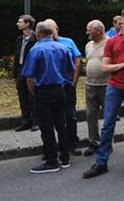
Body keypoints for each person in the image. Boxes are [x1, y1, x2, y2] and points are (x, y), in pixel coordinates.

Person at [83, 5, 124, 179]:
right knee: (108, 124)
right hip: (114, 86)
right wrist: (123, 65)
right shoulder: (111, 41)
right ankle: (101, 162)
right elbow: (105, 67)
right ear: (122, 18)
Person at [21, 21, 75, 173]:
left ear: (38, 35)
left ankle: (51, 161)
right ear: (52, 33)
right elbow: (70, 71)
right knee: (61, 124)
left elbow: (30, 77)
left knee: (46, 127)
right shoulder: (64, 48)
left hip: (43, 91)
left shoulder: (36, 50)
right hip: (60, 89)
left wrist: (33, 93)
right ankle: (65, 158)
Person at [44, 19, 82, 156]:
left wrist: (74, 81)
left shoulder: (68, 42)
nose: (49, 31)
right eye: (47, 29)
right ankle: (54, 147)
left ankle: (73, 143)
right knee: (51, 118)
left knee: (70, 116)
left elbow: (77, 61)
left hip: (67, 86)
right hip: (51, 87)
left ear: (57, 28)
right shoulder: (42, 44)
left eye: (51, 28)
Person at [83, 20, 110, 157]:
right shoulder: (88, 45)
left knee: (108, 116)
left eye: (89, 30)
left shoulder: (110, 42)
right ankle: (93, 142)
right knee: (90, 115)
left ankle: (107, 144)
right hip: (90, 85)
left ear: (98, 31)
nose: (87, 32)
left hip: (107, 85)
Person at [13, 14, 38, 132]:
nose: (18, 24)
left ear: (27, 24)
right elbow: (16, 56)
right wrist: (15, 72)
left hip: (32, 72)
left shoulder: (36, 39)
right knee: (22, 98)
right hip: (20, 71)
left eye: (20, 22)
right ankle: (26, 121)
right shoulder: (19, 39)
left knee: (33, 96)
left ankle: (35, 122)